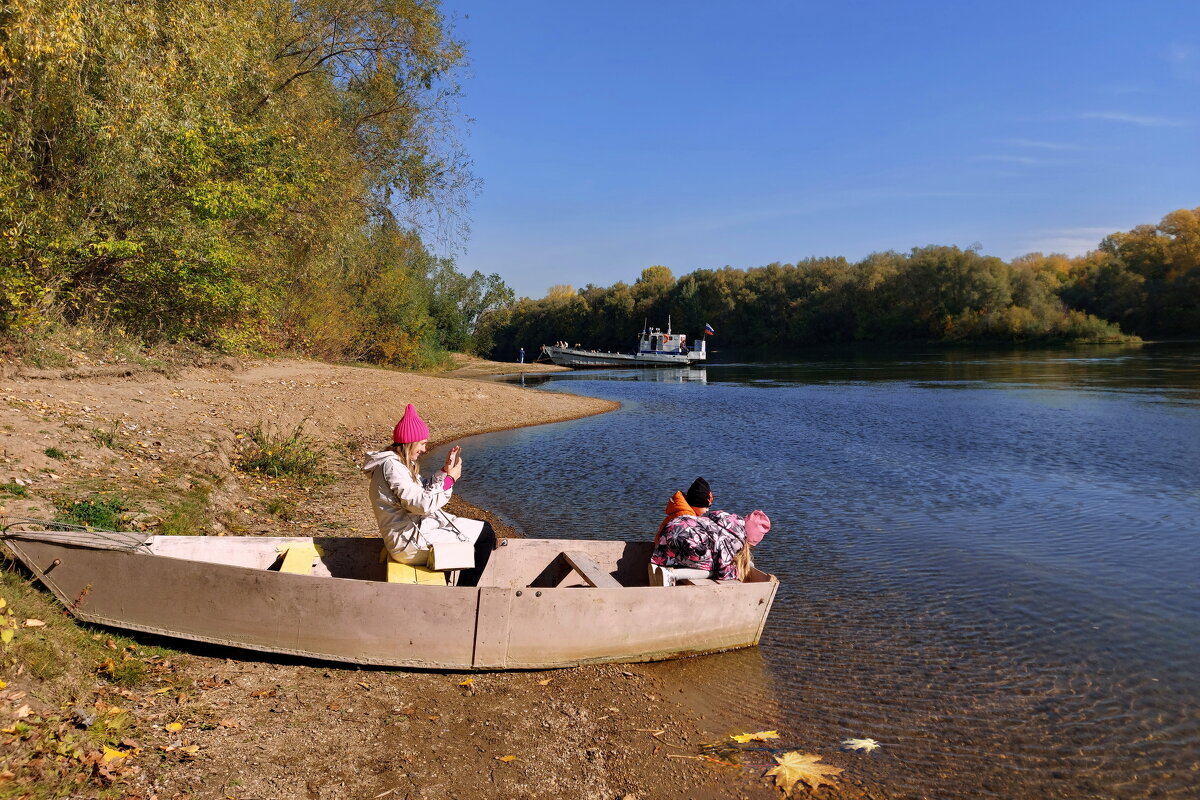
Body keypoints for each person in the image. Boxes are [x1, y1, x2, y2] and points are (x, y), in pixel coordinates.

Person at [362, 403, 496, 586]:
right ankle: (464, 595)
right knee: (485, 536)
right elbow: (421, 505)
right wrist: (450, 480)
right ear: (410, 442)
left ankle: (463, 590)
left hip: (411, 533)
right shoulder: (393, 467)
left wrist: (444, 471)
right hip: (408, 543)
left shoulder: (397, 464)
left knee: (485, 527)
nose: (424, 449)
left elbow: (421, 490)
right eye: (423, 443)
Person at [649, 477, 769, 583]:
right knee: (714, 567)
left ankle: (660, 564)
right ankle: (671, 575)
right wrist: (736, 572)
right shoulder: (734, 538)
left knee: (705, 551)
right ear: (749, 538)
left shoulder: (723, 522)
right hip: (684, 541)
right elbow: (723, 571)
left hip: (670, 537)